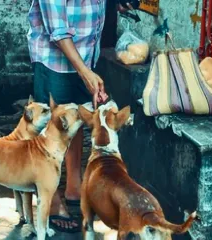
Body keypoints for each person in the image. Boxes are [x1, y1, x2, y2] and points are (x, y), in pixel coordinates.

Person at [27, 0, 133, 232]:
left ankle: (73, 187)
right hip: (55, 60)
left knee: (75, 121)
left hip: (86, 55)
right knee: (53, 131)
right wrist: (85, 73)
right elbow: (58, 31)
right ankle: (51, 202)